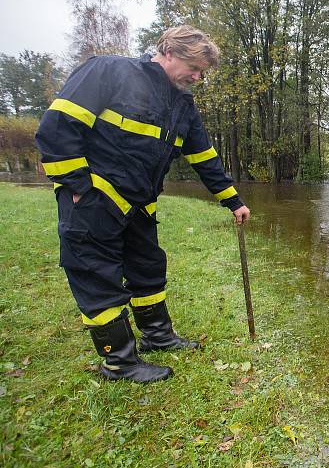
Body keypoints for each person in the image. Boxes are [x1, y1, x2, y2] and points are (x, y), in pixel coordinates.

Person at [35, 25, 250, 383]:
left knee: (148, 269)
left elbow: (204, 158)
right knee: (97, 275)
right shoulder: (109, 71)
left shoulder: (183, 105)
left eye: (202, 71)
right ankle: (119, 362)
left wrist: (234, 201)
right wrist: (78, 186)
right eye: (193, 67)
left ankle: (158, 336)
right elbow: (58, 127)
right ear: (168, 52)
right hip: (94, 199)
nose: (197, 76)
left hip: (139, 204)